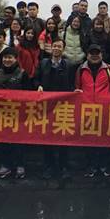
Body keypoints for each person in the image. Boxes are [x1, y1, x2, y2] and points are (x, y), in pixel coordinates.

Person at [34, 39, 76, 179]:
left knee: (64, 137)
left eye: (59, 46)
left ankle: (64, 167)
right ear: (51, 48)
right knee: (47, 137)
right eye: (55, 46)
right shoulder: (43, 63)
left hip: (63, 106)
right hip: (47, 106)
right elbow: (36, 79)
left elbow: (72, 84)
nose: (56, 48)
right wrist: (38, 86)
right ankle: (48, 166)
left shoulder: (69, 65)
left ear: (63, 49)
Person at [0, 47, 30, 179]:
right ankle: (5, 164)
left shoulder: (23, 73)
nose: (7, 60)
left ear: (16, 59)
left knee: (18, 140)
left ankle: (20, 164)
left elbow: (29, 93)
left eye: (10, 57)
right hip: (2, 112)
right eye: (5, 57)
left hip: (19, 113)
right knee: (3, 140)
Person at [75, 44, 110, 177]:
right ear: (87, 55)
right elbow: (77, 87)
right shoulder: (81, 69)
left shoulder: (109, 69)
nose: (94, 56)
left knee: (105, 139)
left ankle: (104, 165)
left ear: (101, 55)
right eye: (92, 53)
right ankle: (91, 166)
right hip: (87, 110)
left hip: (105, 110)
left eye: (97, 53)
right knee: (88, 140)